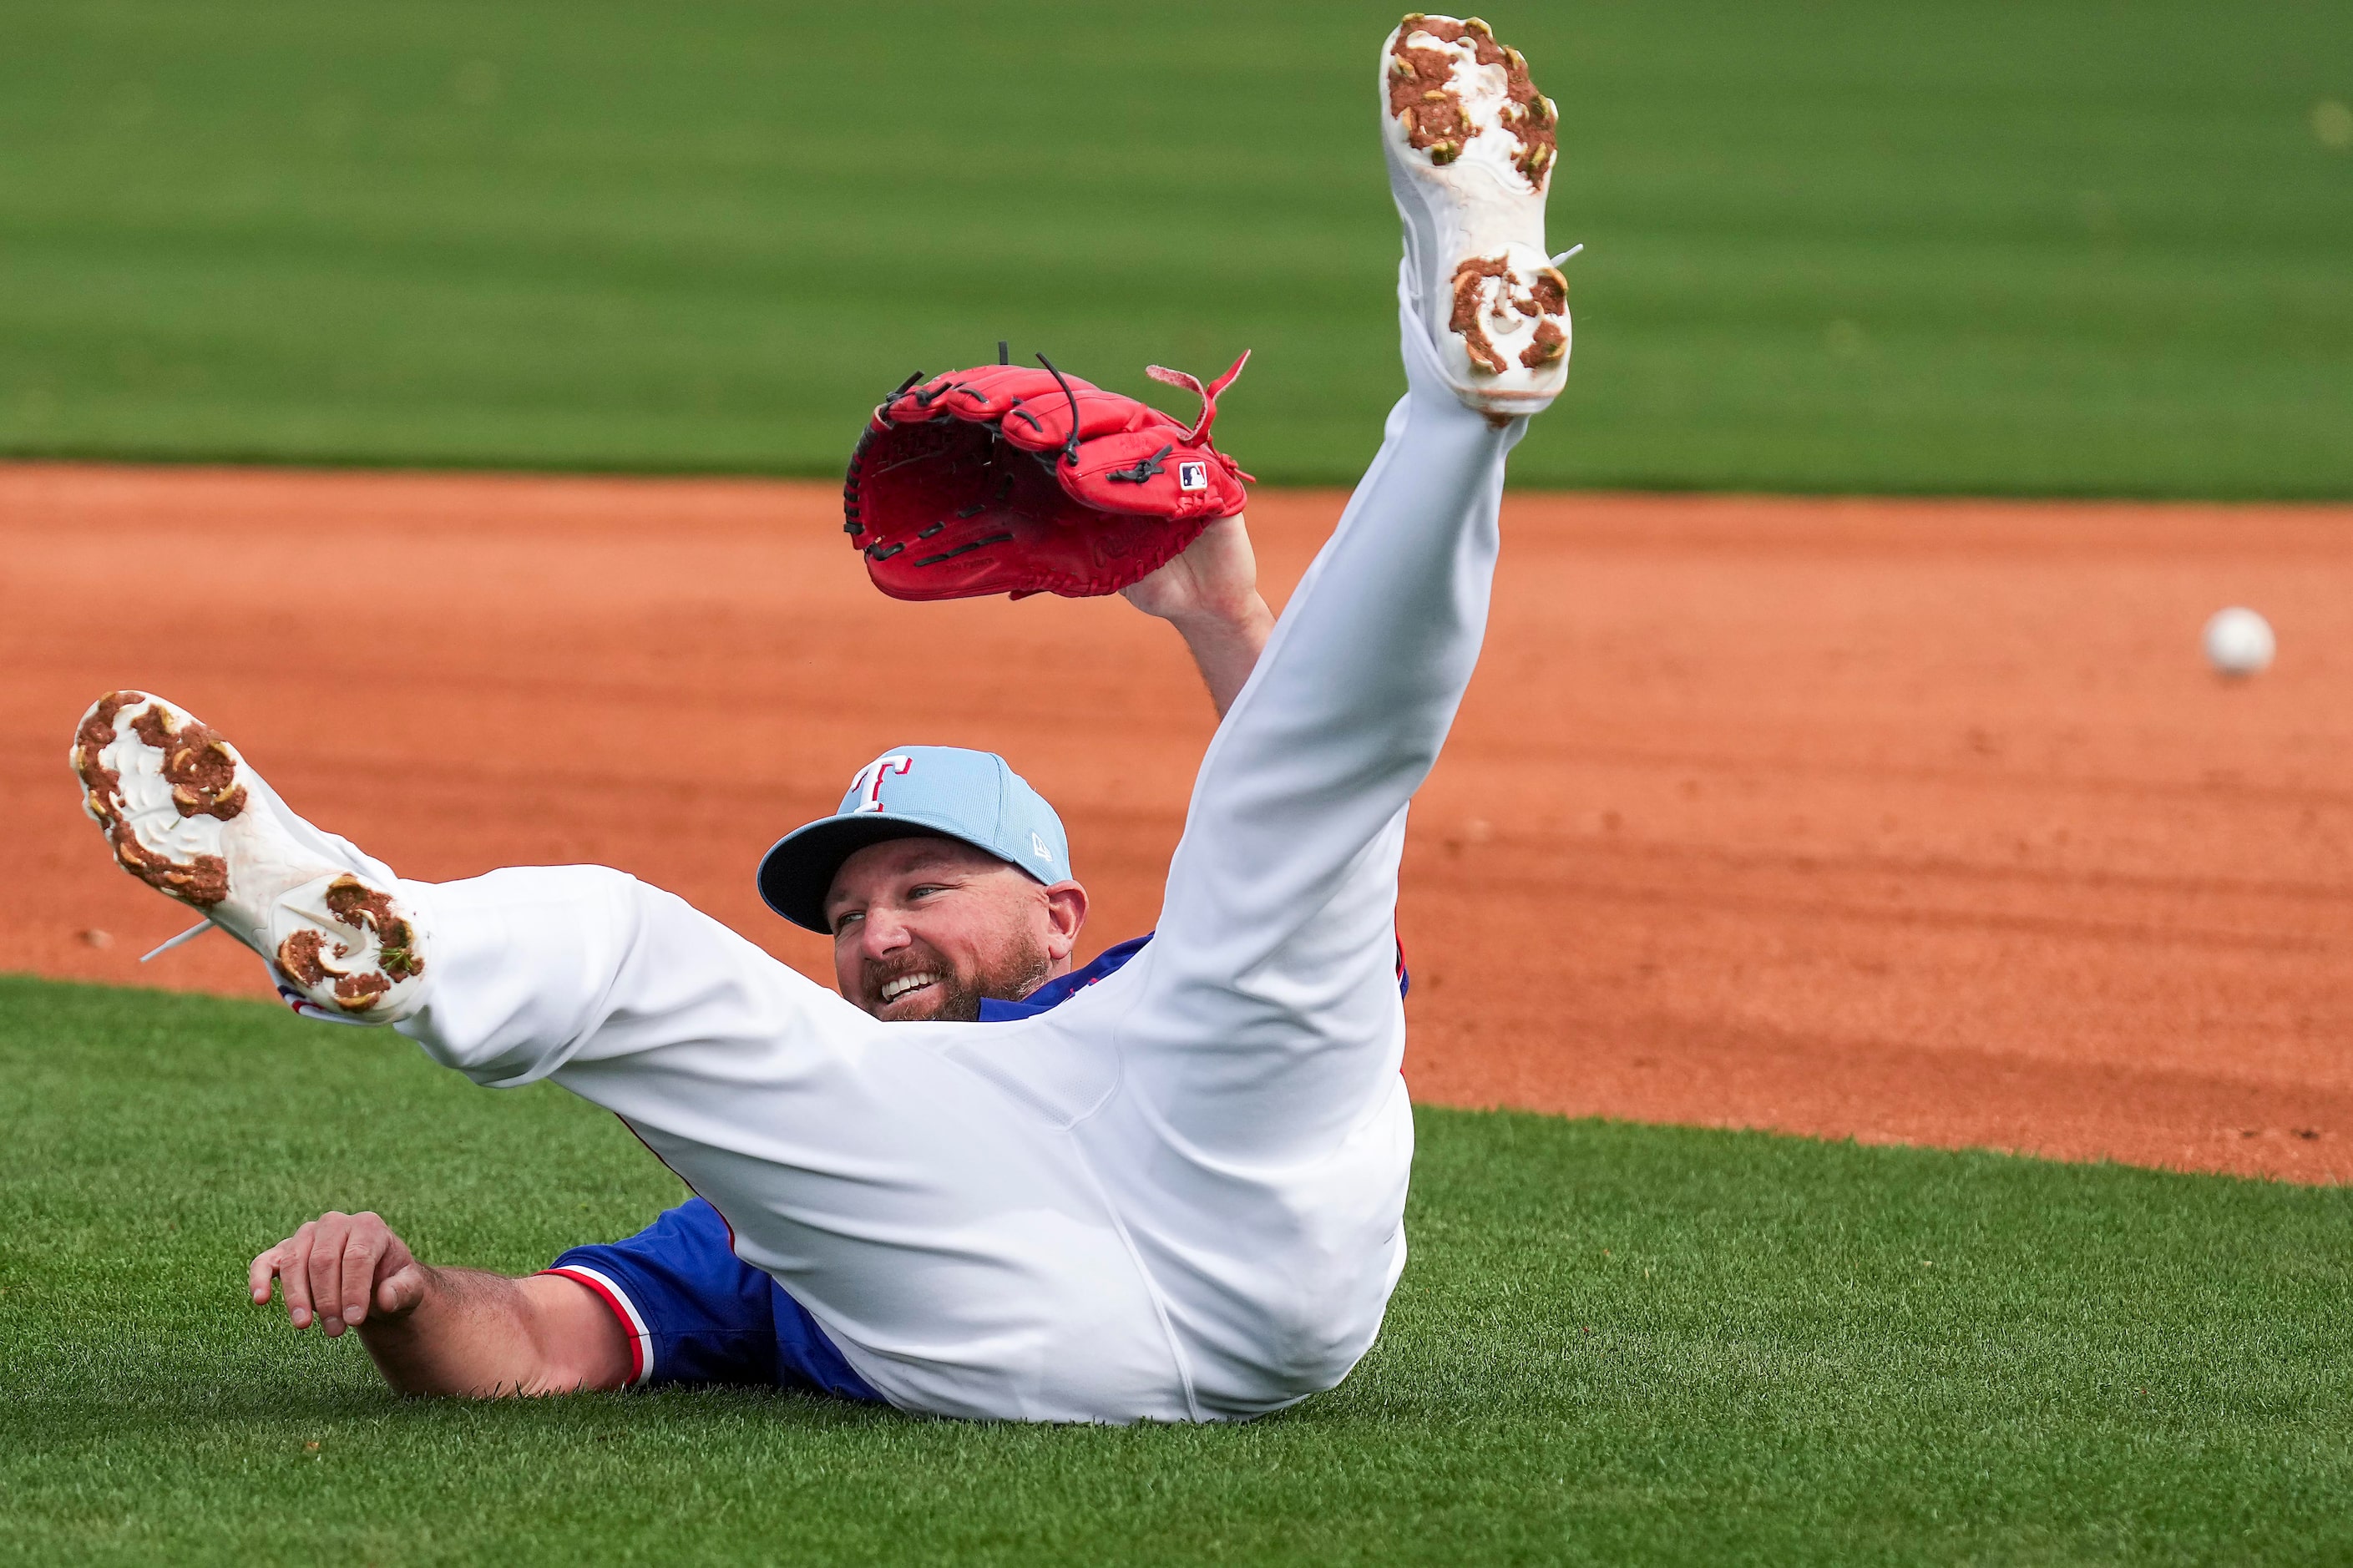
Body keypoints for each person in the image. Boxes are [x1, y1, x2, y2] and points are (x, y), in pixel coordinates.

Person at [72, 13, 1570, 1423]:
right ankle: (382, 940)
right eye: (849, 913)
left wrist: (1217, 612)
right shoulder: (799, 1186)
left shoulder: (1148, 996)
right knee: (633, 943)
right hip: (1001, 1305)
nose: (879, 933)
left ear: (1061, 915)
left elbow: (1308, 823)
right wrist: (402, 1295)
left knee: (1295, 831)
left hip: (1244, 1195)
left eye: (926, 886)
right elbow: (536, 1340)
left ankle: (1467, 386)